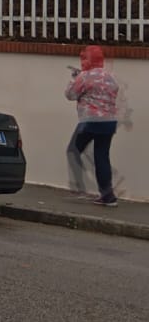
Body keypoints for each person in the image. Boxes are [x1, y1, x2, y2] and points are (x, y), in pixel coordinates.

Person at [65, 45, 122, 207]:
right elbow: (114, 91)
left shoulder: (85, 76)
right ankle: (107, 195)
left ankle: (79, 188)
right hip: (109, 122)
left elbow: (70, 94)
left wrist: (74, 78)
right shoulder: (110, 77)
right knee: (101, 156)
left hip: (90, 121)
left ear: (87, 60)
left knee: (73, 150)